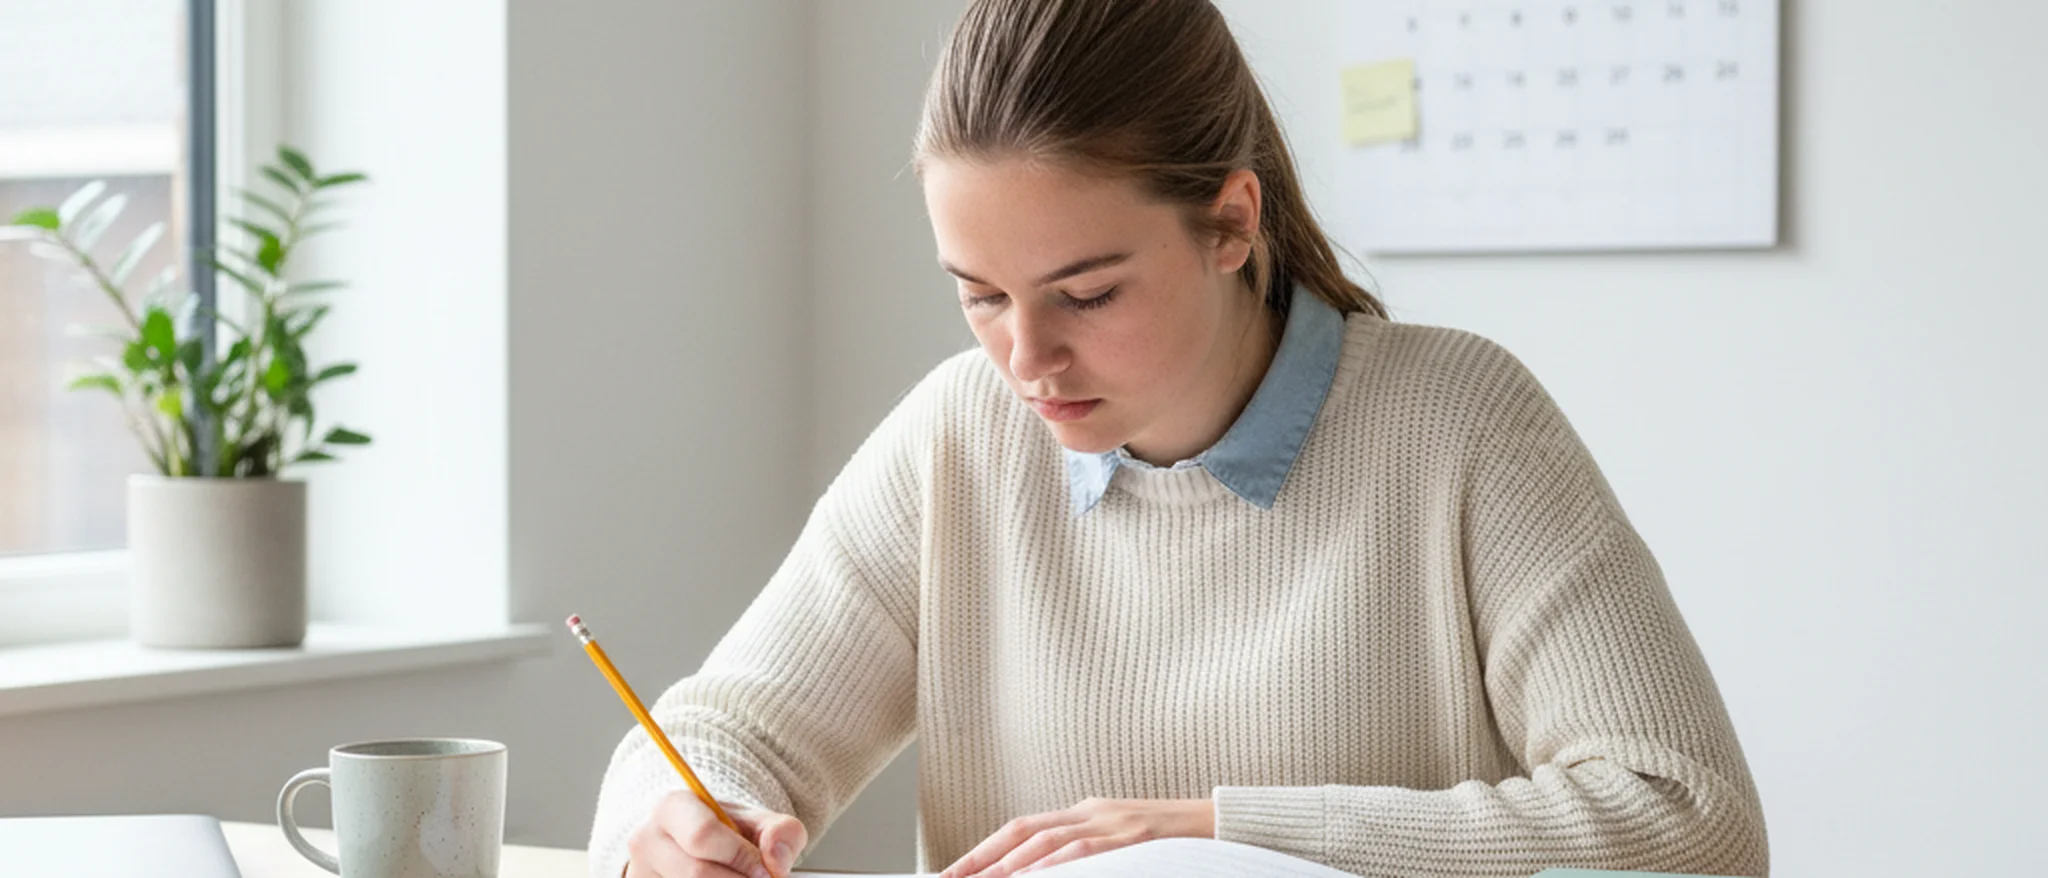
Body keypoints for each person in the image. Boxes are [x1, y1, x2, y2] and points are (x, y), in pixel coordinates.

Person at [588, 1, 1768, 876]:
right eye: (979, 294)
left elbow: (1688, 818)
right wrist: (690, 813)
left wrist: (1219, 826)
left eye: (1086, 293)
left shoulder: (1458, 422)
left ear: (1228, 221)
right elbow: (715, 730)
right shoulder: (957, 438)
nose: (1025, 359)